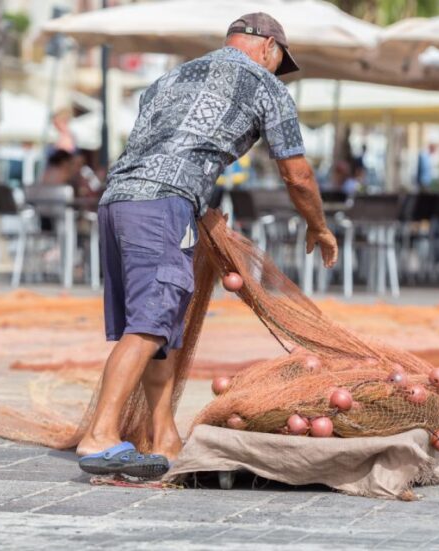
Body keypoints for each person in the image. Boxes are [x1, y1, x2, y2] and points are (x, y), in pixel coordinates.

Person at [76, 13, 338, 478]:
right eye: (280, 61)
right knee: (152, 323)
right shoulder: (266, 85)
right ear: (269, 48)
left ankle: (163, 436)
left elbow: (163, 146)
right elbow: (297, 174)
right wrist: (318, 227)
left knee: (164, 328)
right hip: (162, 204)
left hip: (118, 201)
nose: (278, 69)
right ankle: (100, 435)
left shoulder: (168, 78)